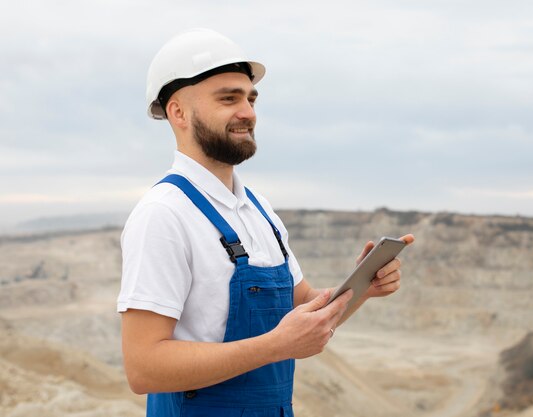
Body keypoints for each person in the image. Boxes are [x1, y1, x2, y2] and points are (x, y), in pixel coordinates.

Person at [117, 28, 414, 417]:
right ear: (178, 112)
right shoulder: (164, 215)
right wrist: (276, 346)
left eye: (251, 98)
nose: (248, 112)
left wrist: (360, 288)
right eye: (229, 99)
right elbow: (144, 368)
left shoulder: (258, 211)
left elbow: (304, 306)